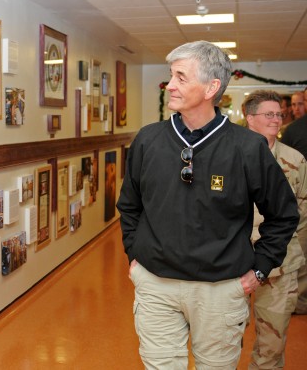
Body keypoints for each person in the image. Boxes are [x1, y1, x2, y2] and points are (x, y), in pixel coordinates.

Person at [116, 40, 298, 369]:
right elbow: (130, 206)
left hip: (220, 291)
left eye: (181, 77)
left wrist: (258, 270)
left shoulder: (248, 148)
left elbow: (283, 215)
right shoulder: (148, 140)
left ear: (212, 87)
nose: (170, 85)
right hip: (156, 285)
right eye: (171, 76)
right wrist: (135, 257)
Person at [243, 90, 307, 369]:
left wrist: (290, 252)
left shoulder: (295, 160)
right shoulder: (231, 156)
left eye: (279, 114)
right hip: (235, 260)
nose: (276, 119)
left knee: (272, 343)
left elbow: (302, 215)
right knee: (224, 338)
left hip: (281, 263)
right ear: (250, 118)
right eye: (269, 114)